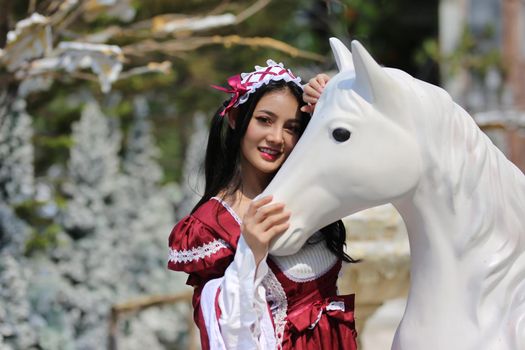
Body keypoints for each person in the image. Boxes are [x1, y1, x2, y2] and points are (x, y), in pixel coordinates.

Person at [168, 61, 357, 350]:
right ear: (236, 118)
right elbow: (221, 331)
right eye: (265, 120)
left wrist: (332, 100)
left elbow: (361, 160)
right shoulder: (214, 224)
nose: (276, 138)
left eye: (291, 128)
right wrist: (250, 251)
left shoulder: (310, 197)